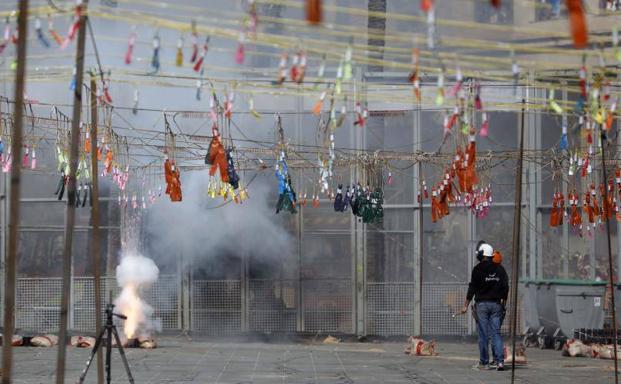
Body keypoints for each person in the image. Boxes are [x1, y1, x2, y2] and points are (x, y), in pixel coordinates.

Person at [461, 242, 509, 371]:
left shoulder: (477, 269)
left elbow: (472, 288)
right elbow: (505, 287)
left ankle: (484, 363)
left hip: (482, 305)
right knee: (496, 334)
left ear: (482, 254)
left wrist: (465, 305)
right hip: (496, 305)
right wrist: (504, 302)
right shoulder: (500, 269)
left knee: (483, 334)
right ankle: (499, 362)